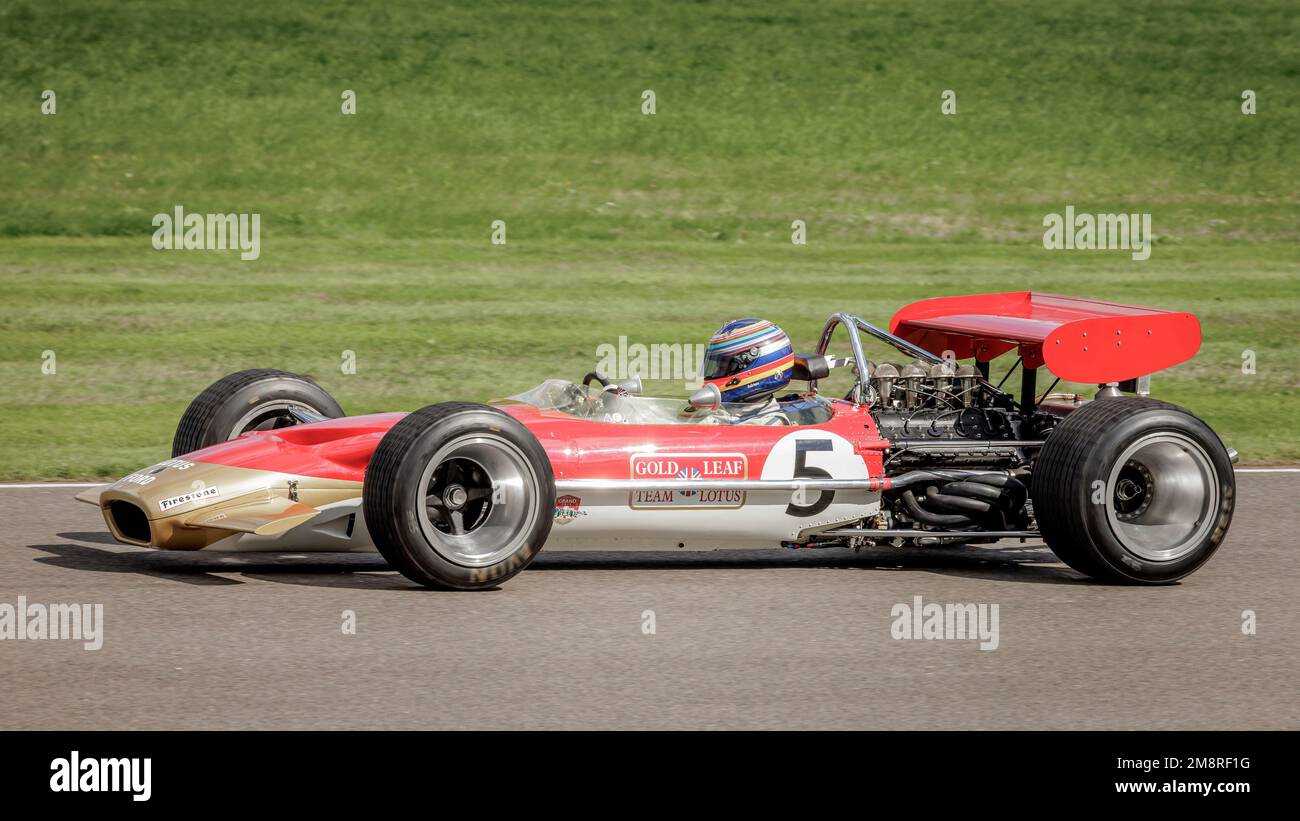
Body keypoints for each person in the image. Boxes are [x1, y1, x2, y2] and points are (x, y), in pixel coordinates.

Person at [682, 318, 794, 425]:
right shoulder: (720, 408)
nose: (717, 372)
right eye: (717, 367)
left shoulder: (770, 425)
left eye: (724, 368)